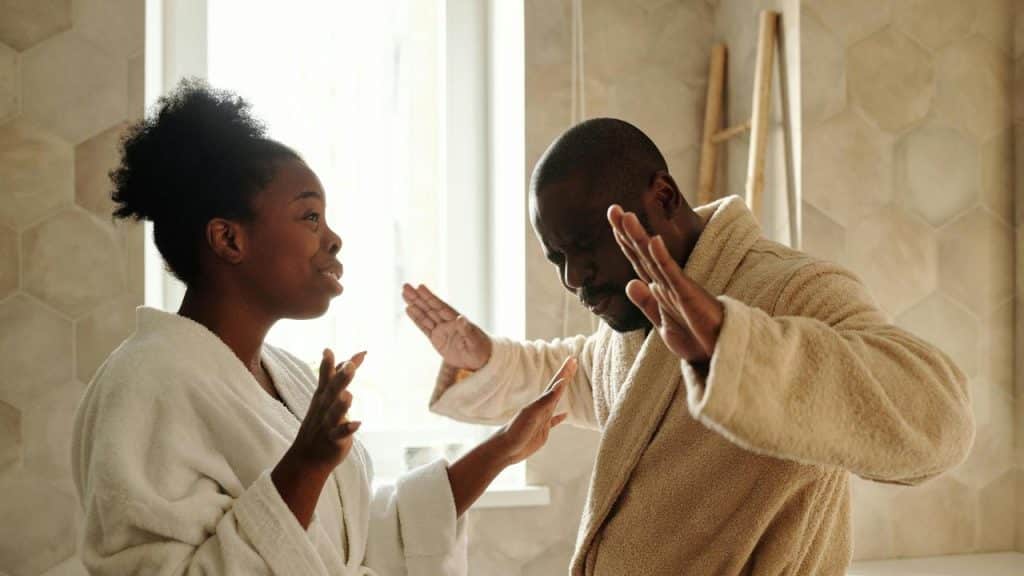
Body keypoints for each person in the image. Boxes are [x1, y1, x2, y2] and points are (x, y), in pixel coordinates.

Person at [403, 117, 974, 575]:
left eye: (585, 245)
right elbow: (570, 375)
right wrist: (486, 359)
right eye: (558, 259)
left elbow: (939, 420)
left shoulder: (788, 289)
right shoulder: (632, 328)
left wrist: (736, 349)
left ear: (665, 197)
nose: (574, 278)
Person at [70, 79, 575, 576]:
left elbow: (353, 543)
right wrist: (305, 464)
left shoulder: (285, 377)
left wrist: (503, 447)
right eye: (309, 216)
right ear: (228, 239)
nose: (333, 239)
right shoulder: (145, 383)